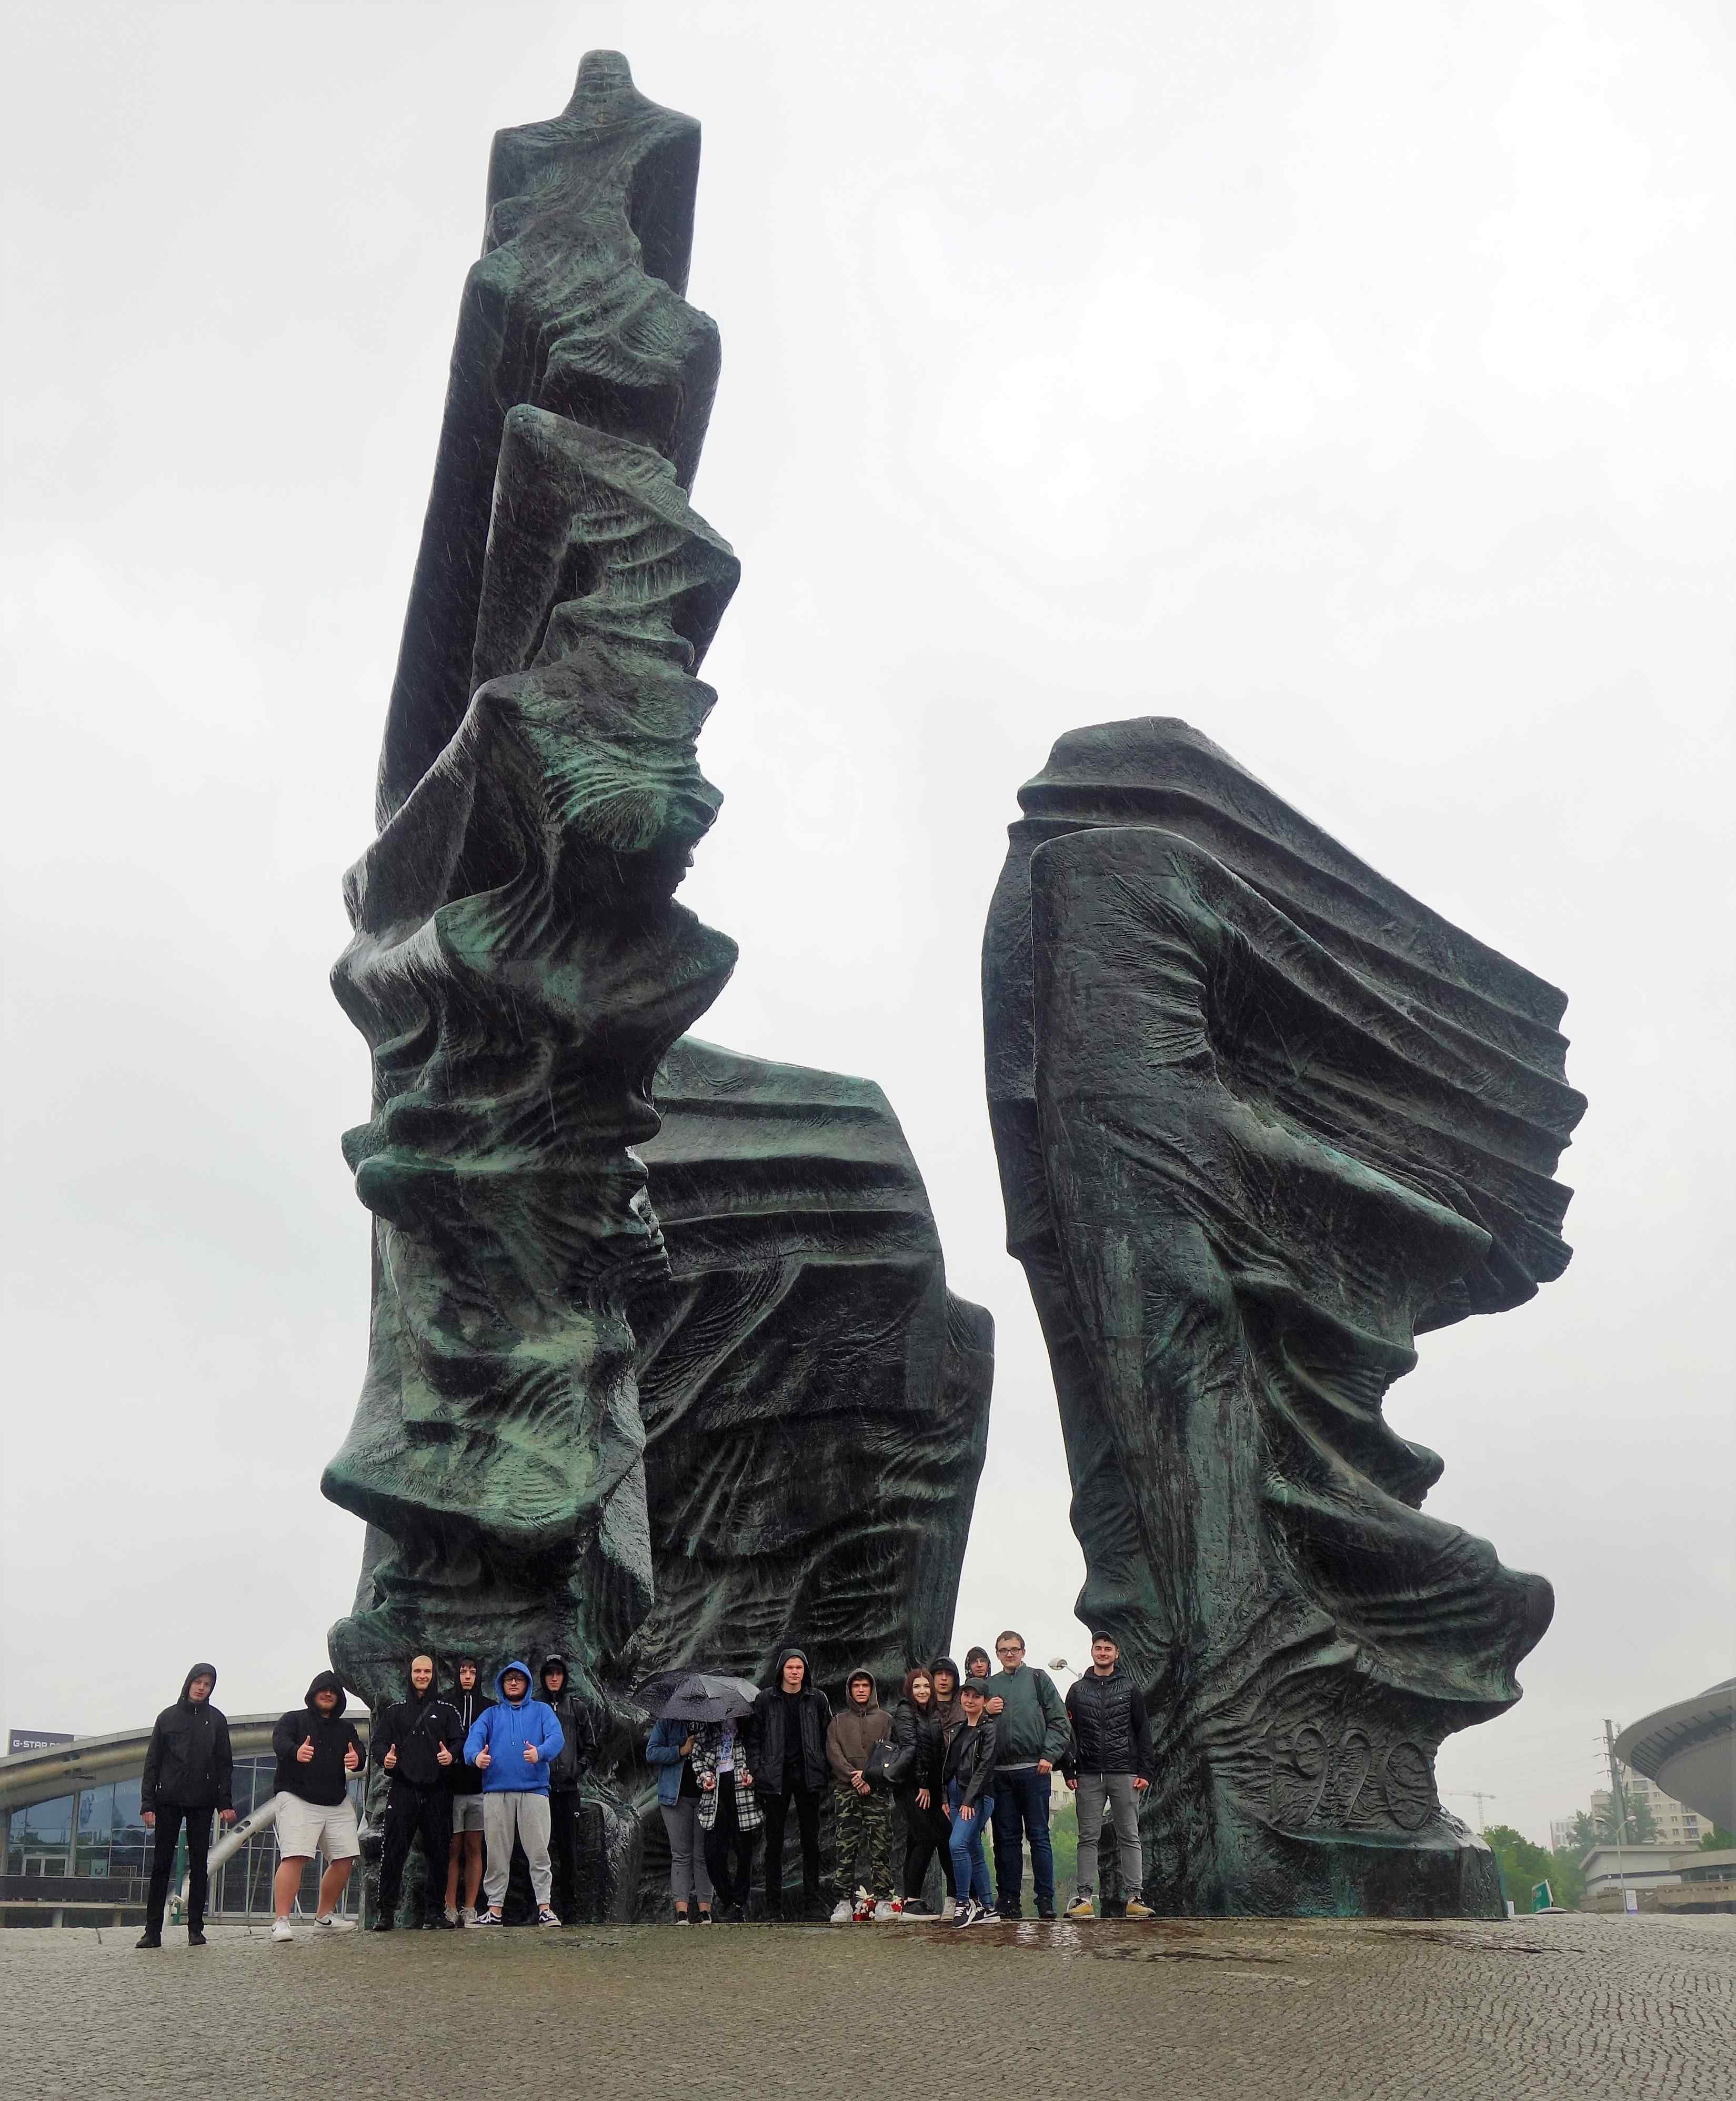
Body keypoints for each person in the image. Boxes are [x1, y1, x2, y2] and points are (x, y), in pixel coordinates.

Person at [136, 1663, 235, 1949]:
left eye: (208, 1684)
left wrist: (225, 1802)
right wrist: (148, 1803)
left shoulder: (216, 1720)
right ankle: (152, 1932)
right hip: (168, 1800)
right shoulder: (167, 1718)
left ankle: (196, 1930)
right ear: (189, 1683)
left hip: (202, 1801)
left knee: (200, 1866)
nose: (202, 1688)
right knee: (161, 1866)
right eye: (198, 1682)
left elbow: (224, 1765)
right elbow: (152, 1763)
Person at [461, 1660, 564, 1928]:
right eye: (509, 1679)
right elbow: (473, 1740)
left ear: (528, 1683)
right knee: (497, 1854)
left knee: (539, 1852)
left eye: (519, 1678)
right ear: (502, 1684)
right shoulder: (490, 1715)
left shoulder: (542, 1711)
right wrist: (476, 1757)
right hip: (497, 1793)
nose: (514, 1683)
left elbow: (557, 1738)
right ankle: (494, 1910)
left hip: (534, 1792)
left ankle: (545, 1908)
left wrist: (540, 1752)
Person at [1063, 1632, 1156, 1920]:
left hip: (1125, 1772)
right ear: (1092, 1652)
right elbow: (1068, 1733)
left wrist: (1145, 1771)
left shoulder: (1130, 1688)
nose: (1102, 1652)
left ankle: (1135, 1898)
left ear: (1116, 1654)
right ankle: (1084, 1899)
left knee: (1129, 1835)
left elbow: (1143, 1731)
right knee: (1087, 1838)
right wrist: (1068, 1769)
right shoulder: (1077, 1690)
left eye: (1108, 1649)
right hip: (1088, 1773)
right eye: (1098, 1648)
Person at [369, 1653, 464, 1930]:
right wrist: (385, 1759)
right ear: (410, 1675)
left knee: (440, 1854)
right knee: (393, 1852)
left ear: (434, 1676)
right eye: (417, 1671)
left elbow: (460, 1741)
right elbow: (378, 1743)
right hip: (403, 1789)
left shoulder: (447, 1711)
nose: (422, 1676)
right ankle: (386, 1913)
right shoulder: (394, 1712)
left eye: (427, 1672)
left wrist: (452, 1756)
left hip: (438, 1791)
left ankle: (435, 1913)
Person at [269, 1670, 364, 1942]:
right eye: (323, 1690)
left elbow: (359, 1752)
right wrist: (296, 1752)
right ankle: (281, 1921)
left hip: (335, 1800)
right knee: (295, 1856)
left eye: (333, 1691)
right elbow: (280, 1742)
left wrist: (357, 1759)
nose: (328, 1694)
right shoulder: (293, 1719)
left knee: (345, 1858)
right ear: (313, 1694)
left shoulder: (346, 1729)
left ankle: (324, 1917)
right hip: (297, 1797)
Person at [983, 1629, 1070, 1919]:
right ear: (997, 1654)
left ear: (1023, 1651)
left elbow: (1060, 1720)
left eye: (1014, 1649)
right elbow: (973, 1723)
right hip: (1000, 1774)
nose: (1009, 1654)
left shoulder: (1038, 1679)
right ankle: (1009, 1900)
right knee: (1005, 1840)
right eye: (1004, 1650)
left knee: (1039, 1837)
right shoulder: (989, 1686)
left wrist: (1049, 1755)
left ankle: (1045, 1900)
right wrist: (985, 1710)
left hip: (1035, 1770)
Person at [749, 1647, 831, 1921]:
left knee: (811, 1842)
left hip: (808, 1776)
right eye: (790, 1667)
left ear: (805, 1671)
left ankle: (812, 1903)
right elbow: (754, 1738)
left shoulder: (817, 1699)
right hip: (776, 1777)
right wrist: (758, 1771)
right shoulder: (765, 1699)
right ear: (781, 1670)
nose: (795, 1672)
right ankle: (773, 1907)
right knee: (774, 1844)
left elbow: (827, 1736)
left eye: (799, 1668)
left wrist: (823, 1768)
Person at [826, 1667, 895, 1921]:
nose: (861, 1690)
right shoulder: (838, 1721)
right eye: (856, 1686)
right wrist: (854, 1777)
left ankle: (884, 1901)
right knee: (846, 1846)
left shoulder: (886, 1720)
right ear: (850, 1691)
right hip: (846, 1792)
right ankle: (843, 1902)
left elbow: (889, 1753)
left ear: (872, 1689)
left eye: (865, 1686)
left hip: (877, 1791)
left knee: (881, 1846)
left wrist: (868, 1777)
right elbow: (834, 1754)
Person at [538, 1654, 597, 1927]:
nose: (554, 1678)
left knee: (569, 1850)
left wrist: (578, 1769)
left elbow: (590, 1746)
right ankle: (541, 1906)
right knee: (539, 1850)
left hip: (569, 1790)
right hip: (540, 1790)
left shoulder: (577, 1708)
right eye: (550, 1673)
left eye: (558, 1673)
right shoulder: (535, 1707)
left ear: (564, 1677)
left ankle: (570, 1908)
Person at [891, 1666, 950, 1917]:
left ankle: (954, 1898)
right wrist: (923, 1784)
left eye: (926, 1686)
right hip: (911, 1787)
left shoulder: (933, 1714)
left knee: (935, 1837)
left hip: (931, 1788)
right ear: (909, 1690)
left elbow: (937, 1752)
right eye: (917, 1686)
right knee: (926, 1838)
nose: (923, 1691)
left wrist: (938, 1789)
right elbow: (911, 1749)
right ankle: (912, 1901)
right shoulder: (905, 1712)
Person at [646, 1711, 714, 1922]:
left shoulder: (711, 1720)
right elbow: (652, 1752)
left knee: (703, 1854)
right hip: (675, 1797)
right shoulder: (668, 1722)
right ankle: (682, 1912)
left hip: (707, 1797)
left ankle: (705, 1911)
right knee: (681, 1854)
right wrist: (681, 1751)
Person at [941, 1679, 999, 1926]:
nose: (970, 1700)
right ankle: (988, 1907)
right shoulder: (958, 1729)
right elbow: (949, 1767)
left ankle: (964, 1903)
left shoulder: (989, 1729)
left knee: (957, 1845)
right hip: (955, 1798)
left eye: (976, 1697)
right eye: (966, 1695)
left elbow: (985, 1767)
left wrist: (969, 1800)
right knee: (973, 1849)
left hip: (977, 1798)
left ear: (985, 1702)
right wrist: (945, 1797)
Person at [694, 1714, 759, 1920]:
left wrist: (754, 1774)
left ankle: (738, 1903)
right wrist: (704, 1776)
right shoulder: (708, 1727)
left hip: (742, 1792)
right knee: (712, 1853)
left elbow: (759, 1752)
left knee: (744, 1851)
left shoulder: (749, 1726)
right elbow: (696, 1756)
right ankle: (729, 1900)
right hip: (715, 1793)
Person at [443, 1655, 492, 1924]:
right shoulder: (445, 1704)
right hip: (451, 1789)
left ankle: (470, 1907)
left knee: (475, 1847)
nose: (468, 1677)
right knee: (453, 1848)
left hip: (479, 1788)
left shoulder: (489, 1708)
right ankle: (450, 1905)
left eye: (473, 1672)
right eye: (463, 1672)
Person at [928, 1656, 966, 1919]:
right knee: (940, 1842)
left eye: (948, 1674)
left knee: (962, 1843)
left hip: (958, 1783)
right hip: (928, 1785)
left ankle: (964, 1897)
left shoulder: (963, 1707)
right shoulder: (924, 1707)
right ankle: (953, 1896)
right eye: (938, 1674)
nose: (943, 1679)